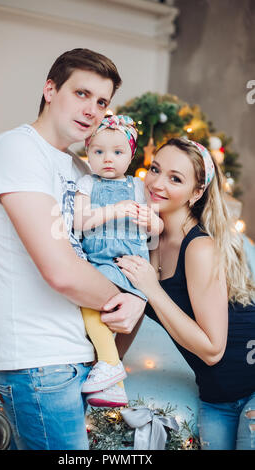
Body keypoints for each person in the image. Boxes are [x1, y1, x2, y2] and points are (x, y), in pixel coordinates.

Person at [0, 49, 146, 450]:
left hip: (79, 355)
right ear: (50, 89)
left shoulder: (83, 170)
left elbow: (110, 249)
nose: (92, 110)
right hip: (38, 361)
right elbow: (61, 271)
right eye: (81, 94)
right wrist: (129, 299)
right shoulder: (17, 150)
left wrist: (138, 298)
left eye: (101, 102)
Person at [112, 137, 255, 450]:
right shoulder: (148, 238)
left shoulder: (199, 247)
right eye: (155, 169)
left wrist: (152, 288)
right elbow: (137, 306)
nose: (157, 183)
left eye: (175, 178)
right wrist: (109, 364)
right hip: (215, 397)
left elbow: (212, 349)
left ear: (197, 192)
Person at [73, 114, 163, 407]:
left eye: (117, 152)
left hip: (128, 263)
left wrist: (151, 221)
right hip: (97, 261)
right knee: (90, 306)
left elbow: (158, 229)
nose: (107, 159)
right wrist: (117, 210)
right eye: (98, 152)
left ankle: (110, 368)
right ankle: (114, 374)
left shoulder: (137, 187)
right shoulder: (86, 182)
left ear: (131, 155)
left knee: (101, 311)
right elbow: (80, 221)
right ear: (88, 152)